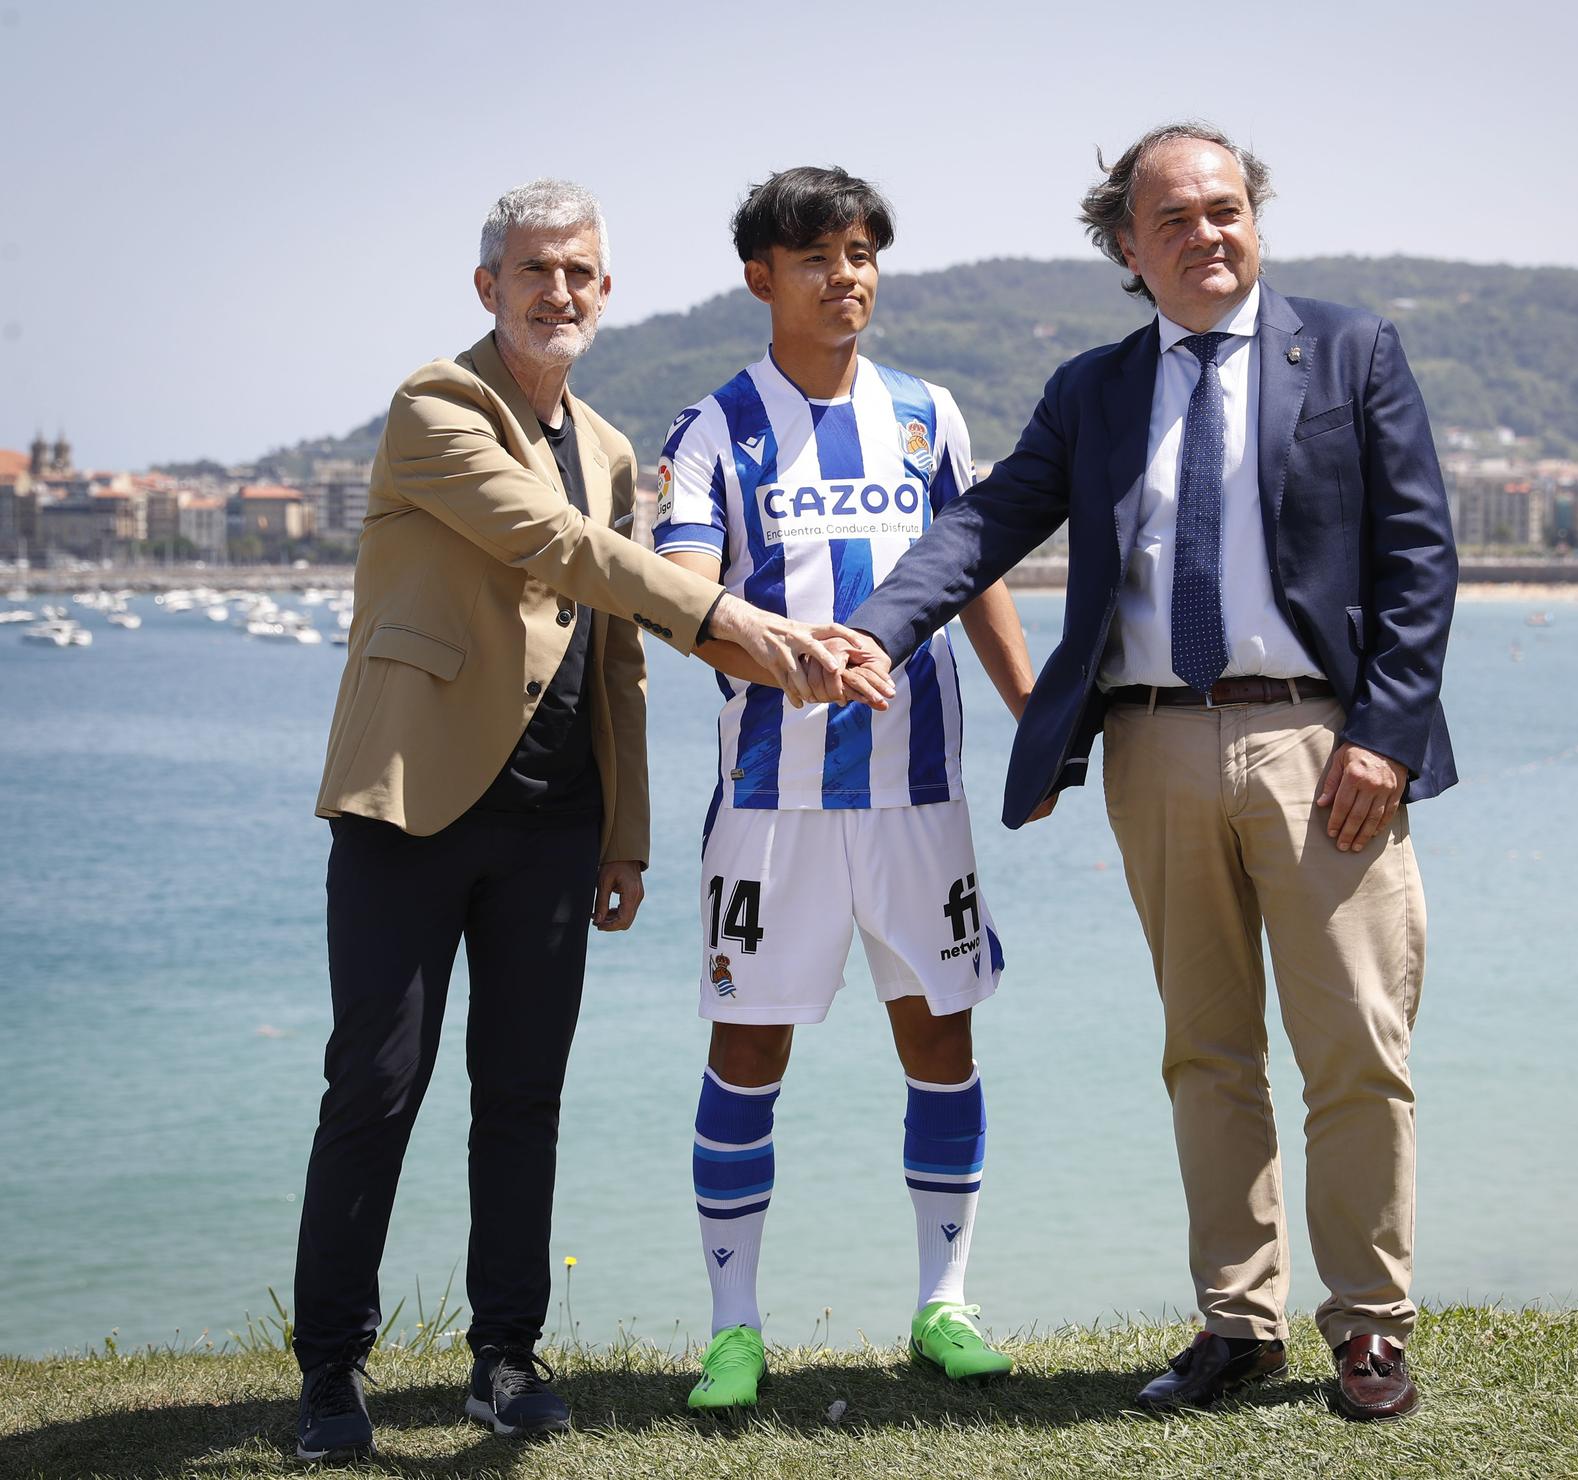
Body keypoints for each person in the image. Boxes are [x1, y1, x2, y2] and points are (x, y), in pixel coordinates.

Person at [837, 124, 1457, 1421]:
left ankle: (1371, 1327)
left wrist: (1385, 740)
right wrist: (875, 630)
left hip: (1320, 747)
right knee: (1206, 1051)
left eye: (1226, 208)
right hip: (1152, 745)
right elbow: (987, 522)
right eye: (1172, 218)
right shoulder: (1095, 389)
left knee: (1353, 1045)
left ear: (1256, 216)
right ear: (1128, 245)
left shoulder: (1351, 351)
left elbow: (1419, 558)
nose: (1207, 233)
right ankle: (1241, 1321)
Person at [292, 178, 876, 1463]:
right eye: (535, 269)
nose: (560, 291)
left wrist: (627, 834)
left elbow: (610, 655)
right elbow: (554, 547)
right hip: (409, 803)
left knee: (521, 1094)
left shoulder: (611, 447)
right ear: (489, 285)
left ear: (605, 294)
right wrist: (733, 622)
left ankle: (506, 1356)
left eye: (582, 274)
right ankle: (330, 1368)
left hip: (555, 823)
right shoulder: (433, 407)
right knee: (376, 1086)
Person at [652, 165, 1036, 1413]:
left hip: (920, 794)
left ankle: (943, 1304)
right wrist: (786, 655)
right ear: (761, 275)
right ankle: (733, 1327)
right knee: (748, 1045)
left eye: (862, 251)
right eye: (817, 256)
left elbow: (972, 567)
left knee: (940, 1036)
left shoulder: (928, 416)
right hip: (771, 801)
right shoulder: (711, 430)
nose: (846, 275)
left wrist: (1031, 703)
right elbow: (685, 602)